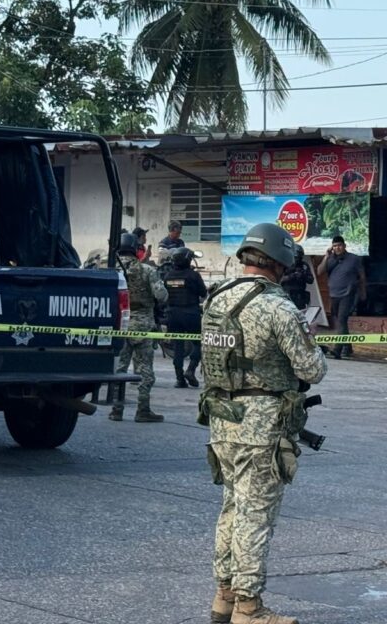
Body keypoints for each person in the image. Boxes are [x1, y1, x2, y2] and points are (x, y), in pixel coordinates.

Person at [199, 223, 327, 624]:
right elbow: (313, 368)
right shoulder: (278, 307)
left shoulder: (217, 298)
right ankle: (249, 608)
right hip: (263, 426)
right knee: (255, 516)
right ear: (280, 262)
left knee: (231, 510)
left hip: (223, 420)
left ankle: (224, 596)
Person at [110, 232, 168, 422]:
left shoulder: (111, 270)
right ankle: (143, 410)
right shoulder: (147, 270)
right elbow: (161, 296)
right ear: (136, 249)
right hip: (143, 325)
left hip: (119, 324)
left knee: (120, 369)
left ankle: (116, 410)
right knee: (144, 370)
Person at [164, 246, 207, 389]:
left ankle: (179, 379)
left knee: (178, 347)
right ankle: (191, 370)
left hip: (173, 315)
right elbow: (203, 292)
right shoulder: (193, 275)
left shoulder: (168, 276)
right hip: (191, 314)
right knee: (199, 344)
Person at [317, 235, 366, 360]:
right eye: (334, 246)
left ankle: (337, 349)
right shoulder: (331, 259)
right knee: (340, 321)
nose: (337, 248)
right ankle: (348, 347)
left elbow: (362, 276)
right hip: (334, 295)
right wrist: (326, 256)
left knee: (342, 320)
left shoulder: (354, 259)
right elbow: (319, 271)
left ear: (344, 246)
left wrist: (363, 292)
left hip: (348, 294)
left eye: (339, 245)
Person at [280, 244, 314, 311]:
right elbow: (280, 280)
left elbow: (311, 280)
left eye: (300, 256)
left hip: (300, 296)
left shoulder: (304, 265)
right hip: (287, 295)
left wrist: (303, 275)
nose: (298, 259)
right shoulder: (286, 264)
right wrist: (292, 276)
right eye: (296, 257)